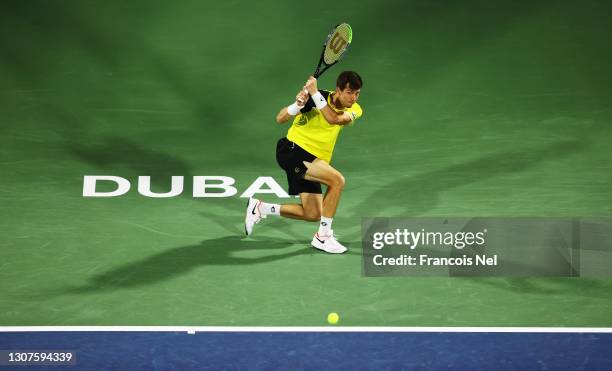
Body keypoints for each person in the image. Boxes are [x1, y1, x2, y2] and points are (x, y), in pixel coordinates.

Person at [245, 71, 363, 254]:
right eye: (350, 92)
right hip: (292, 150)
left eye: (357, 93)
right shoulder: (317, 96)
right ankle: (323, 237)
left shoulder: (354, 109)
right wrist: (296, 105)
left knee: (313, 213)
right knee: (337, 180)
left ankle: (260, 208)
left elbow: (334, 119)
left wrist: (314, 94)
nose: (353, 97)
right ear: (338, 90)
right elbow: (280, 118)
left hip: (313, 161)